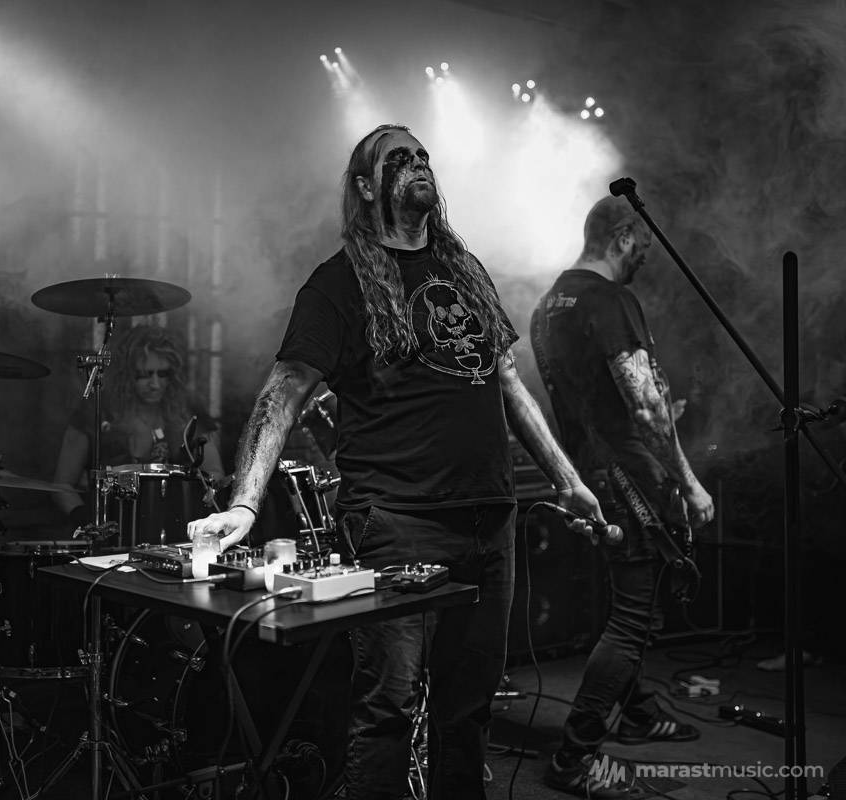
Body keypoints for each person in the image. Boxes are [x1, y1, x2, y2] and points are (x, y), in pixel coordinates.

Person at [187, 124, 603, 800]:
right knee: (388, 708)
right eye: (398, 158)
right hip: (397, 523)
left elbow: (507, 381)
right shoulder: (338, 284)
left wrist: (568, 480)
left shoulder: (464, 270)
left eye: (422, 156)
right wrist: (244, 503)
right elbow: (284, 392)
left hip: (489, 519)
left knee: (468, 710)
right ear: (365, 186)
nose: (417, 164)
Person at [531, 196, 716, 796]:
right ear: (624, 236)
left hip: (591, 478)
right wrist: (687, 481)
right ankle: (574, 756)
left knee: (629, 607)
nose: (646, 258)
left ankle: (637, 714)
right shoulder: (610, 300)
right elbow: (644, 406)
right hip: (630, 478)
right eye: (644, 245)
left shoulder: (547, 305)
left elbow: (587, 398)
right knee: (634, 619)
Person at [52, 324, 225, 527]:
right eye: (144, 374)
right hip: (112, 528)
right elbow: (62, 485)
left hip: (174, 528)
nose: (155, 384)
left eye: (163, 374)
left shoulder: (187, 410)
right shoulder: (97, 411)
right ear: (126, 375)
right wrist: (85, 520)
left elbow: (215, 474)